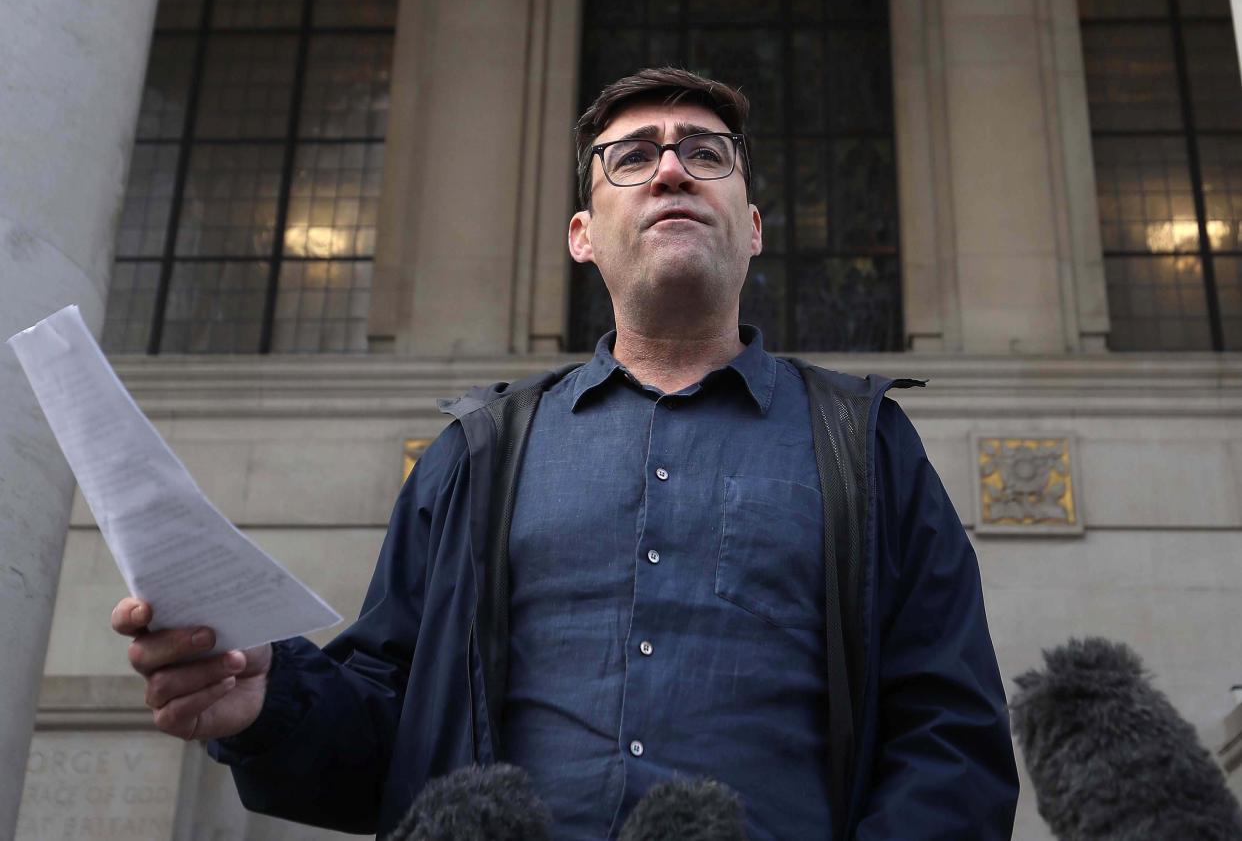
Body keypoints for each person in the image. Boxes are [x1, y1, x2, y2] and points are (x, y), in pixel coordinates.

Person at [111, 67, 1019, 840]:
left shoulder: (863, 446)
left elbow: (951, 736)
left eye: (707, 154)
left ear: (752, 227)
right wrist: (267, 698)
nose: (671, 169)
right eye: (632, 157)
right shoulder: (478, 453)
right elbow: (393, 734)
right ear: (582, 235)